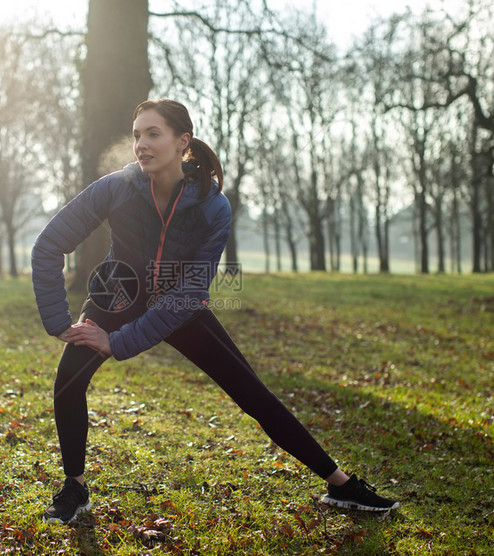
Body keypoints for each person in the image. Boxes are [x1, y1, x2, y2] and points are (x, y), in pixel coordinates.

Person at [31, 99, 398, 524]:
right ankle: (74, 489)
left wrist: (117, 343)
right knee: (67, 384)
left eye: (153, 134)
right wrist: (59, 324)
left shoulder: (212, 206)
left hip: (178, 303)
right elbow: (49, 244)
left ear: (182, 141)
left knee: (252, 394)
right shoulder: (117, 186)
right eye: (136, 135)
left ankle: (342, 486)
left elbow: (188, 292)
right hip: (119, 291)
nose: (141, 145)